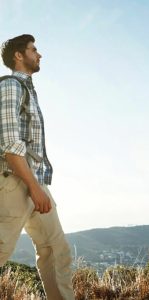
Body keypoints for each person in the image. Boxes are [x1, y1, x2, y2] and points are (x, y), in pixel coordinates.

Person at [0, 34, 74, 299]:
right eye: (33, 50)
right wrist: (32, 186)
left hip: (33, 181)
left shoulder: (28, 89)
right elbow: (10, 144)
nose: (39, 54)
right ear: (18, 56)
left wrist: (37, 184)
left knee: (57, 249)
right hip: (14, 181)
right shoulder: (10, 86)